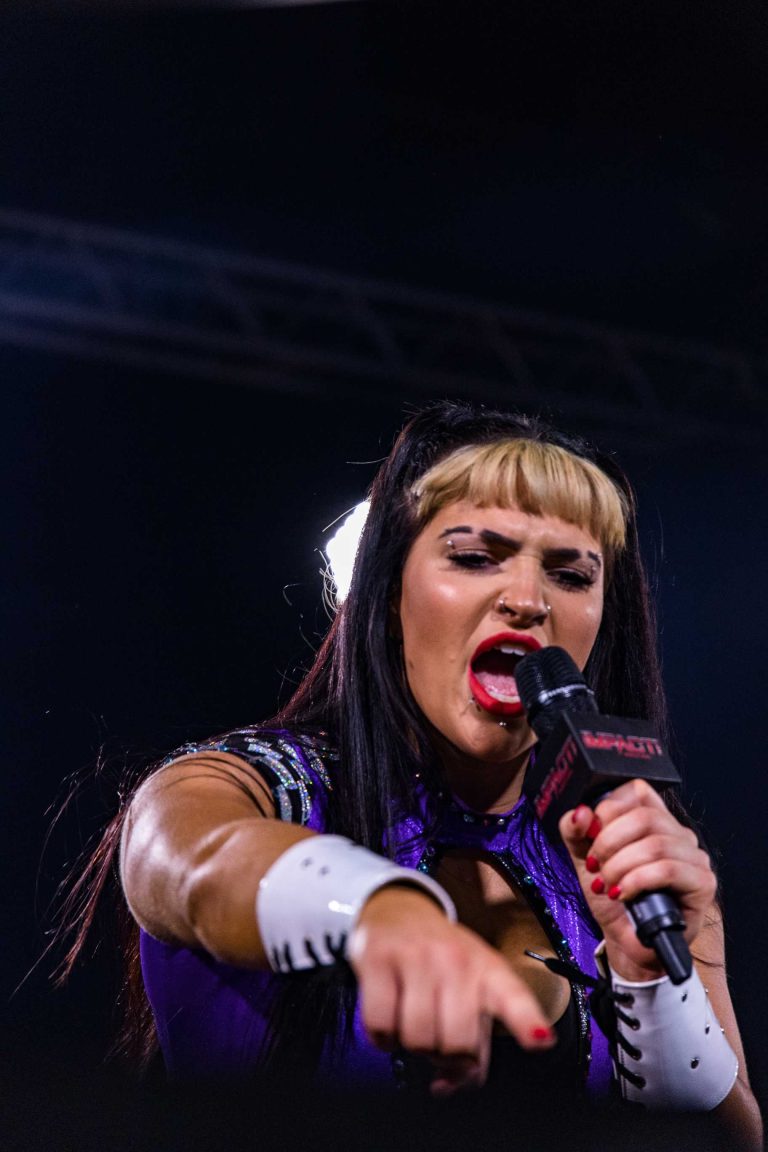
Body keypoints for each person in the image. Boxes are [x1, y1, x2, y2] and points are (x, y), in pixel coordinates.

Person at [66, 402, 761, 1145]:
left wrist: (655, 988)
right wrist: (373, 910)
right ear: (386, 589)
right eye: (475, 557)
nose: (528, 600)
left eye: (569, 574)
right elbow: (183, 858)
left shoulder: (632, 857)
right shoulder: (251, 786)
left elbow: (734, 1140)